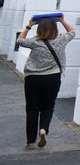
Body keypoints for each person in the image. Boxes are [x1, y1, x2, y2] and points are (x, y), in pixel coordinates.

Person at [15, 15, 75, 149]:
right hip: (52, 78)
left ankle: (30, 140)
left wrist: (29, 25)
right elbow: (72, 32)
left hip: (33, 78)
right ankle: (43, 129)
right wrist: (62, 20)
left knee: (32, 108)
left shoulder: (34, 42)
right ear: (55, 29)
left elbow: (19, 40)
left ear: (39, 29)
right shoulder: (61, 40)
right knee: (48, 106)